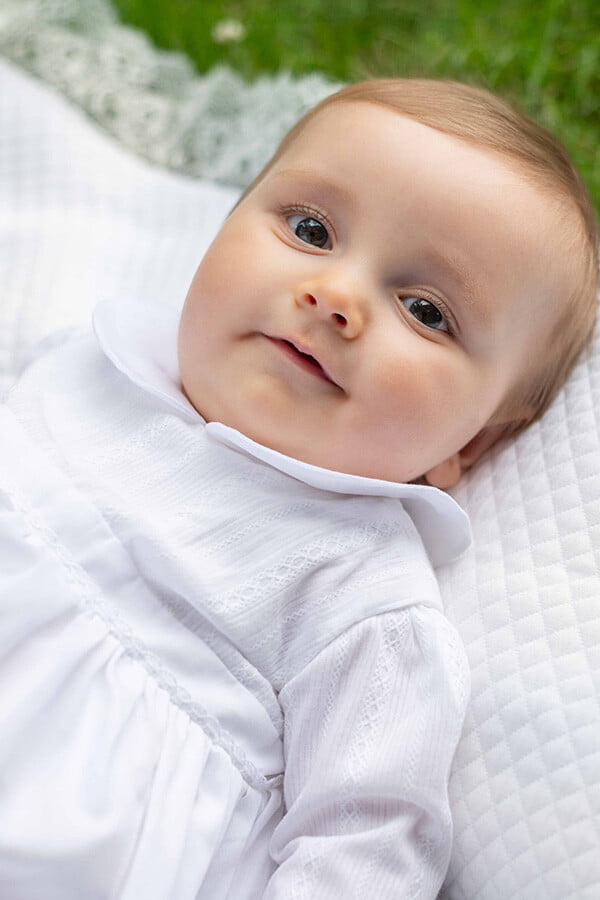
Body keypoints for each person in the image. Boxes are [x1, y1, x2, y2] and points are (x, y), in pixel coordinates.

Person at [0, 79, 597, 900]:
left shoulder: (360, 592)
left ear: (475, 441)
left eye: (425, 310)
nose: (337, 297)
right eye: (311, 229)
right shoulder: (88, 361)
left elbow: (370, 841)